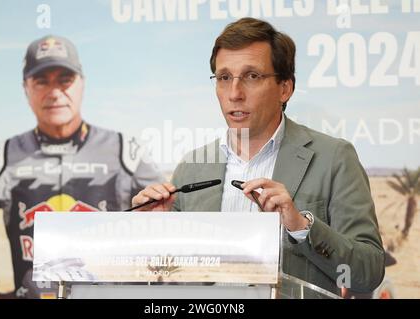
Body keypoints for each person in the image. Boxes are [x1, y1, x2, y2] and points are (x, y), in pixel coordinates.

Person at [132, 18, 385, 296]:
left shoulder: (334, 158)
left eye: (252, 76)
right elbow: (169, 277)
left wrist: (301, 227)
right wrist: (155, 234)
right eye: (224, 78)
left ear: (285, 88)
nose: (234, 94)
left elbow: (368, 273)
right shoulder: (193, 168)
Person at [0, 35, 164, 298]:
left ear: (81, 84)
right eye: (41, 81)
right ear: (25, 88)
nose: (54, 92)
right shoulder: (0, 158)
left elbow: (169, 228)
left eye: (65, 79)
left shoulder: (126, 153)